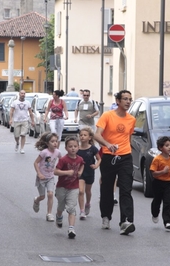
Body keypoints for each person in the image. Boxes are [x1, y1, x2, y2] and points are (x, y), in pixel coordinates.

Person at [94, 90, 136, 235]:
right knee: (107, 188)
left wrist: (129, 152)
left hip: (125, 157)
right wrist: (107, 144)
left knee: (126, 189)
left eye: (130, 99)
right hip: (108, 156)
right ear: (117, 101)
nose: (128, 102)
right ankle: (106, 216)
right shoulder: (107, 115)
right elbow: (97, 135)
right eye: (125, 99)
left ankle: (126, 221)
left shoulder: (131, 119)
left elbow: (128, 138)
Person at [54, 136, 84, 239]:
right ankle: (58, 216)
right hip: (62, 187)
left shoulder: (80, 159)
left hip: (74, 187)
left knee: (71, 207)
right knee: (61, 207)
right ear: (66, 148)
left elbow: (82, 164)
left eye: (75, 146)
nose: (73, 148)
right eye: (70, 146)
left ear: (78, 147)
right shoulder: (63, 159)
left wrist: (80, 172)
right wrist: (66, 172)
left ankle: (71, 228)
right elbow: (56, 171)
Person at [150, 136, 170, 231]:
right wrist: (162, 171)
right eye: (167, 145)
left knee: (168, 202)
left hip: (168, 183)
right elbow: (153, 173)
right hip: (158, 182)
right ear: (161, 147)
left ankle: (168, 222)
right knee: (157, 201)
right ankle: (154, 213)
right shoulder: (157, 159)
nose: (169, 147)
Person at [33, 132, 62, 222]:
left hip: (50, 177)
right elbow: (35, 163)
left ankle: (49, 214)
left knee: (50, 194)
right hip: (41, 177)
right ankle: (36, 200)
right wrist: (39, 173)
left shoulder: (58, 152)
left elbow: (62, 162)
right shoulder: (44, 152)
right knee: (42, 197)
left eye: (56, 141)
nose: (55, 143)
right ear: (47, 143)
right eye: (52, 141)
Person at [77, 127, 101, 220]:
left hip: (89, 171)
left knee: (88, 191)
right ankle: (82, 210)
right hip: (80, 173)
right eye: (81, 135)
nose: (82, 137)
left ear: (90, 137)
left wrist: (96, 165)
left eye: (85, 135)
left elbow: (99, 159)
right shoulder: (77, 148)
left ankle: (88, 203)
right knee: (81, 191)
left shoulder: (93, 149)